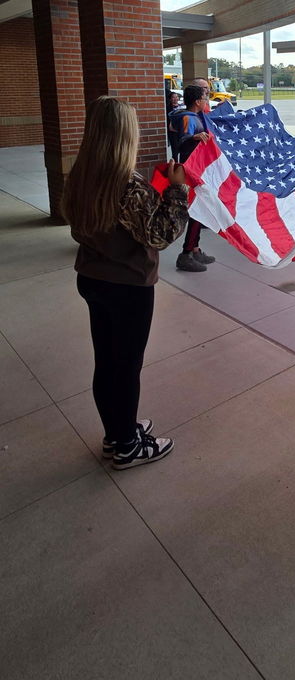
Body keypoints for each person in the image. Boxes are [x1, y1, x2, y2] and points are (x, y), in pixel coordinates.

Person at [61, 96, 190, 470]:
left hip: (92, 278)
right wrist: (176, 190)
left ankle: (117, 432)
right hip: (128, 287)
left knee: (107, 362)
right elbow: (160, 236)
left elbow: (79, 227)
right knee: (126, 366)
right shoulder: (127, 186)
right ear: (124, 136)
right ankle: (127, 446)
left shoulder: (81, 176)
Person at [170, 83, 215, 272]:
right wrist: (195, 138)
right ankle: (186, 253)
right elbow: (181, 142)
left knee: (199, 211)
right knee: (197, 212)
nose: (206, 100)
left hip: (198, 171)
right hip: (191, 172)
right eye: (205, 97)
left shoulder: (196, 116)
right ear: (197, 101)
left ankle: (194, 249)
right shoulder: (188, 118)